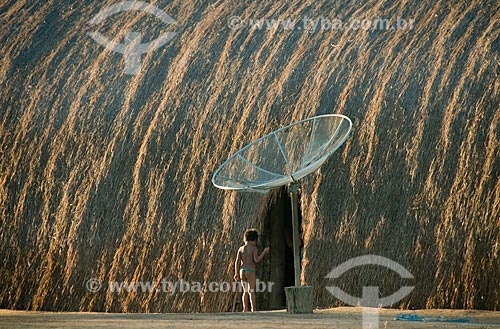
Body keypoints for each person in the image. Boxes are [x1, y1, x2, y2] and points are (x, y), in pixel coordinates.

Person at [233, 229, 270, 312]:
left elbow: (237, 262)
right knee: (251, 291)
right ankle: (253, 309)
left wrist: (236, 273)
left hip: (242, 270)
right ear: (254, 239)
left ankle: (245, 309)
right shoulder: (254, 248)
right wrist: (264, 252)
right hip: (250, 270)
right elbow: (256, 260)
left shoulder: (241, 249)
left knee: (245, 291)